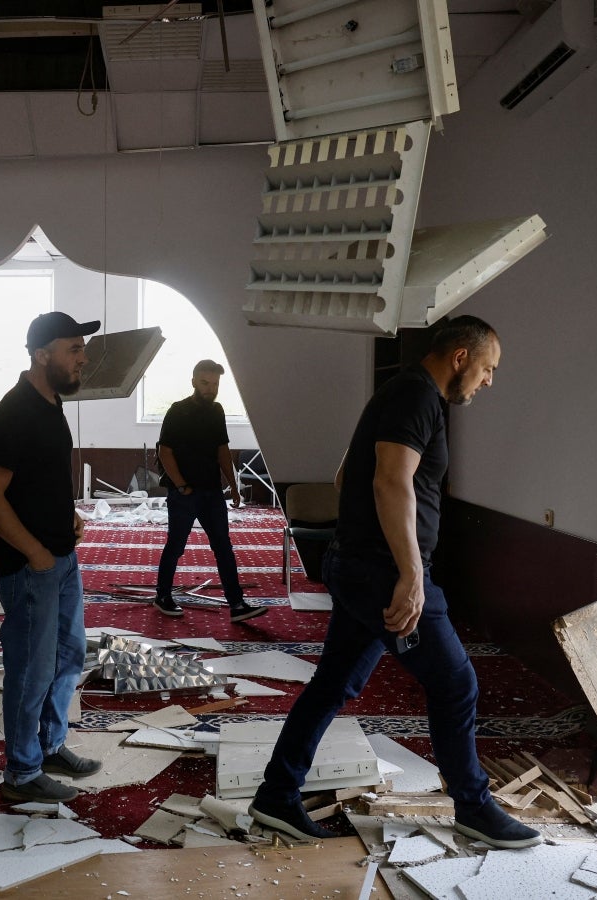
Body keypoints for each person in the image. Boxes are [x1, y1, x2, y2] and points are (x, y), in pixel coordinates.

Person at [248, 315, 541, 850]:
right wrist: (408, 572)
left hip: (362, 568)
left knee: (333, 684)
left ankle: (275, 795)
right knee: (456, 684)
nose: (488, 380)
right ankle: (474, 808)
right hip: (385, 574)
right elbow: (390, 478)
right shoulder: (417, 396)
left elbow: (345, 477)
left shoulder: (399, 390)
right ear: (460, 357)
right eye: (487, 368)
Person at [0, 311, 103, 804]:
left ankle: (49, 745)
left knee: (68, 657)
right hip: (33, 567)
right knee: (31, 669)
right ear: (41, 354)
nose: (83, 358)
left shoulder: (50, 405)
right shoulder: (15, 412)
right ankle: (22, 772)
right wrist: (34, 551)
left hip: (60, 558)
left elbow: (37, 480)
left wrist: (66, 514)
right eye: (74, 349)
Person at [154, 359, 266, 624]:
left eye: (215, 384)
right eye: (205, 383)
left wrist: (233, 485)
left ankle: (237, 604)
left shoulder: (217, 411)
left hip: (212, 493)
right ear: (194, 381)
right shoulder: (177, 411)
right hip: (184, 494)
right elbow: (165, 451)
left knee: (223, 547)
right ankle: (162, 596)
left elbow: (222, 451)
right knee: (176, 546)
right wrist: (181, 485)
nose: (210, 388)